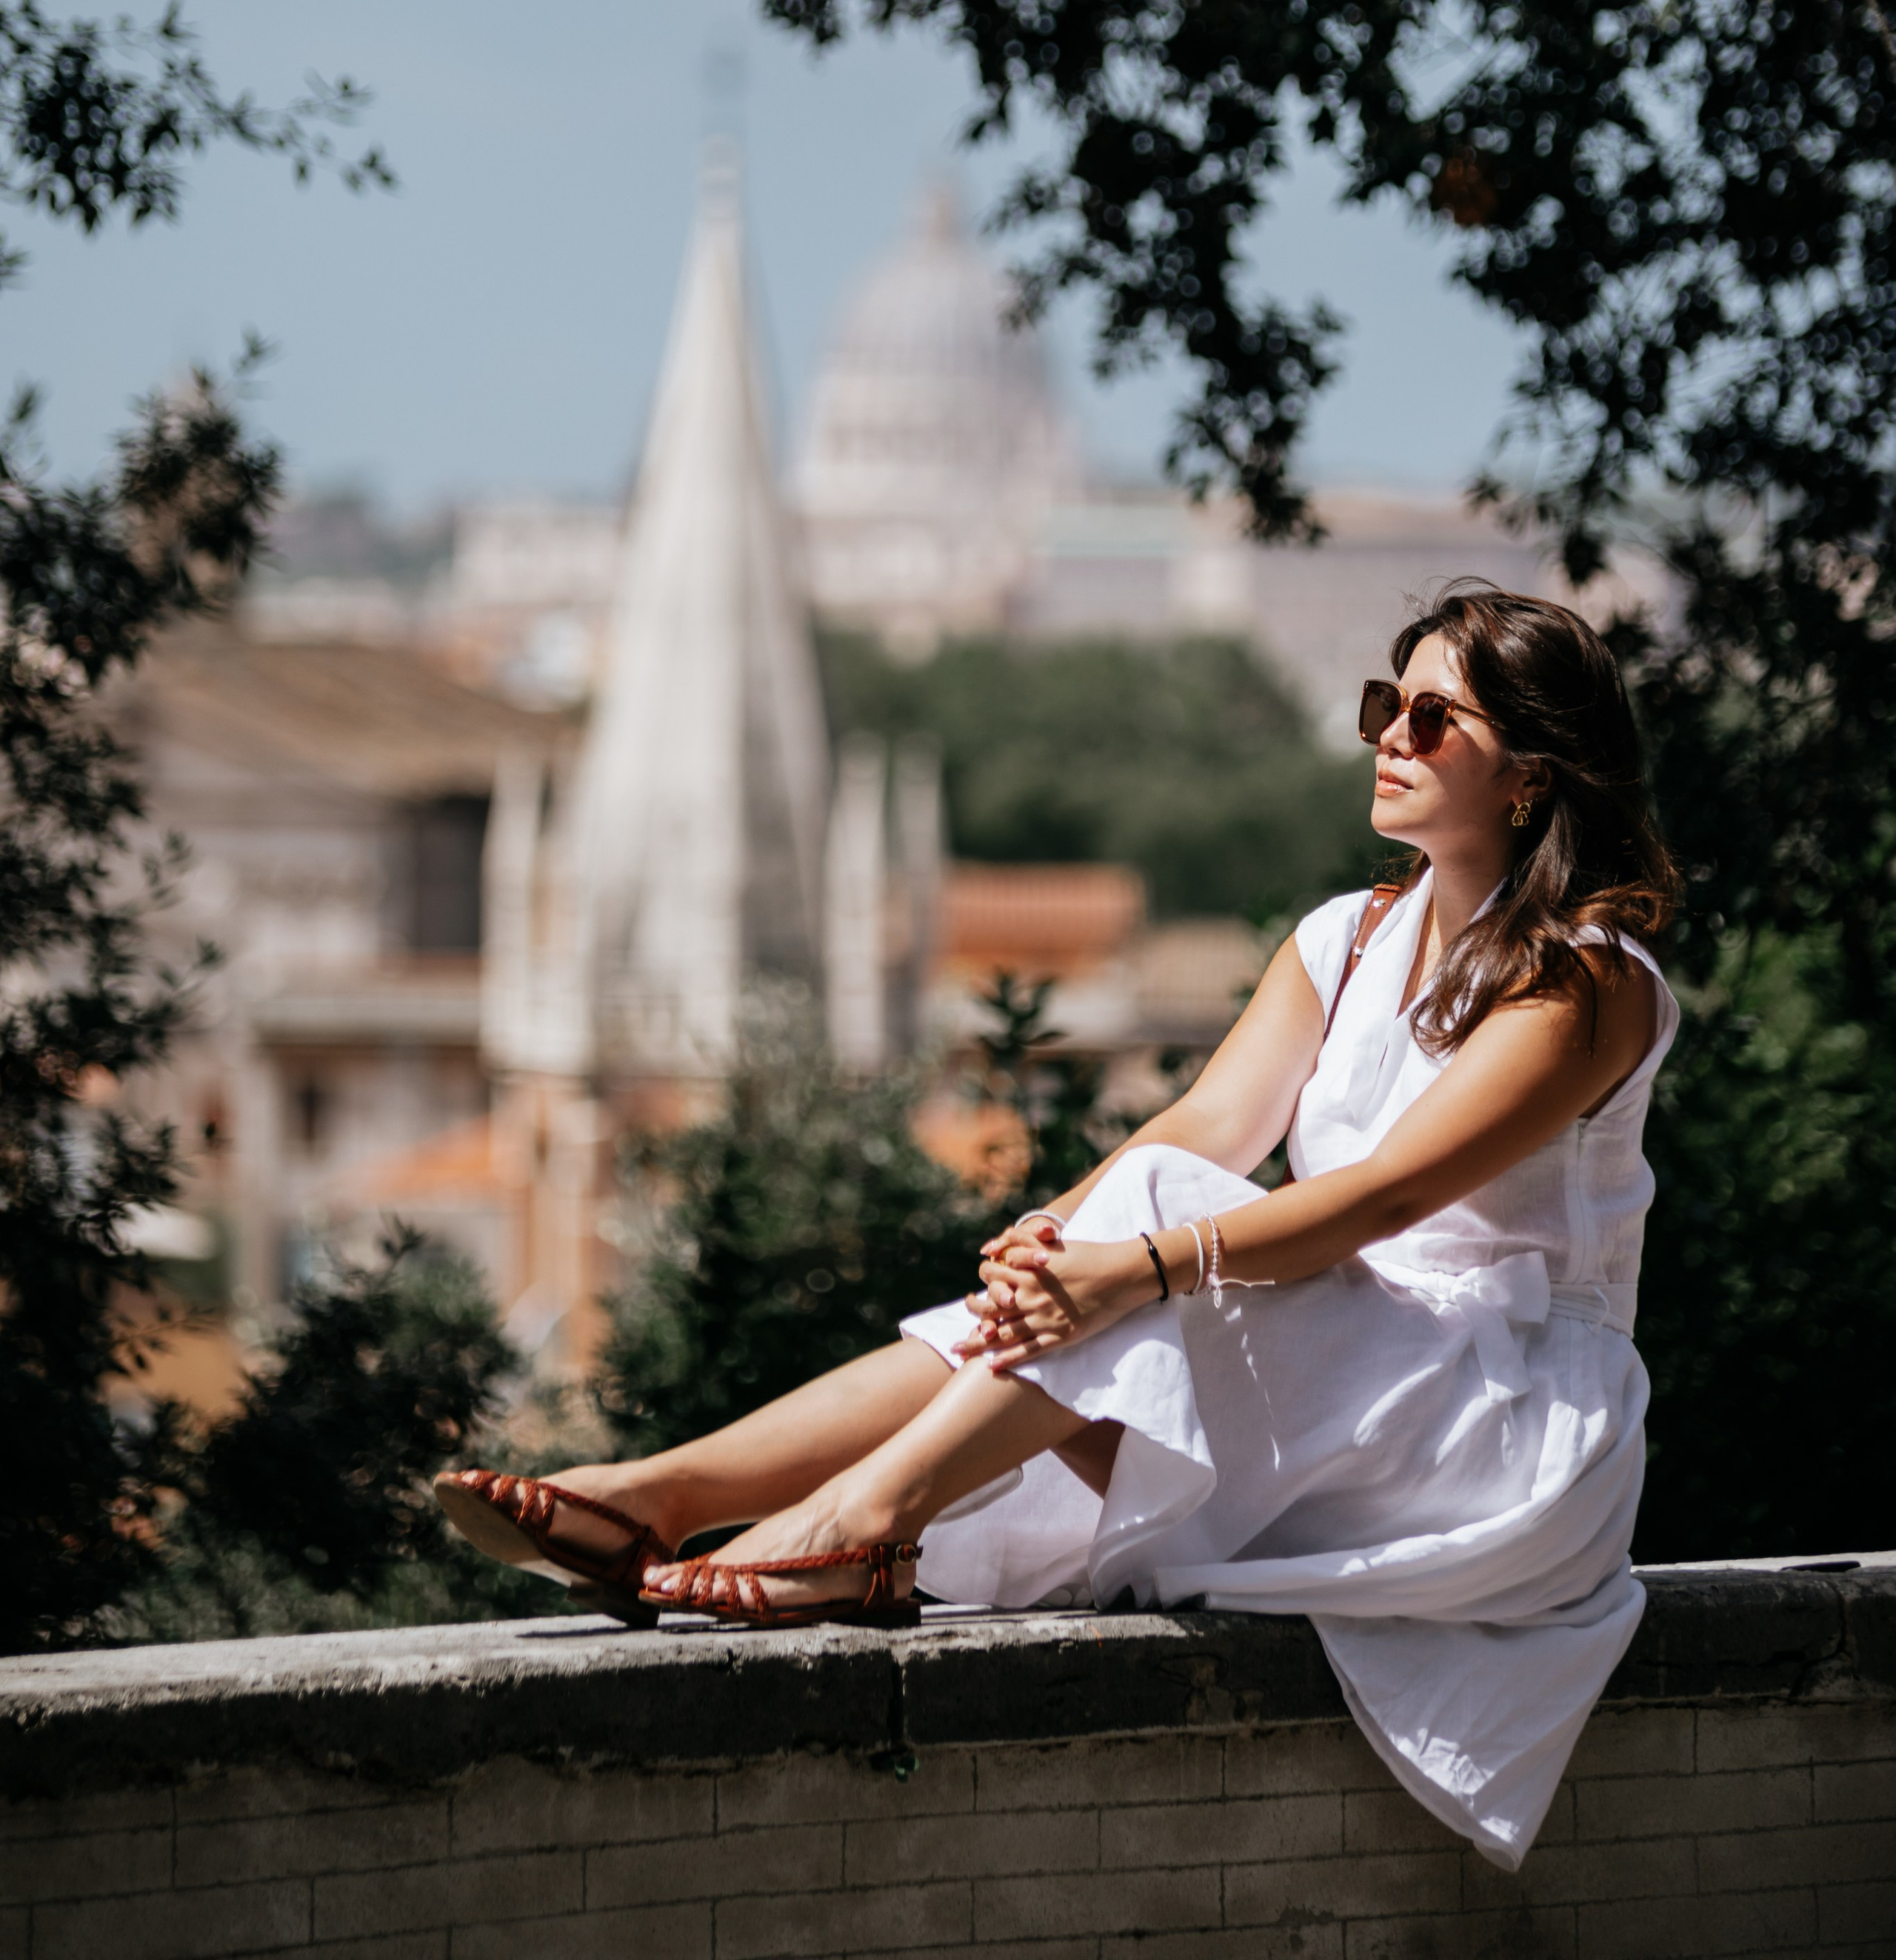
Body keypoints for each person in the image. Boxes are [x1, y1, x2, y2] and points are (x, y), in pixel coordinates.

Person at [437, 584, 1680, 1867]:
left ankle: (858, 1525)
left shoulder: (1586, 976)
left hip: (1497, 1421)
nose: (1388, 738)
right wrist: (1053, 1236)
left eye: (1432, 717)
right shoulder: (1350, 937)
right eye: (1384, 705)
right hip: (1347, 1380)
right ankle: (661, 1496)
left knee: (1140, 1244)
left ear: (1530, 775)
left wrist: (1132, 1261)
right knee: (1094, 1253)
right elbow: (1203, 1129)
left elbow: (1386, 1197)